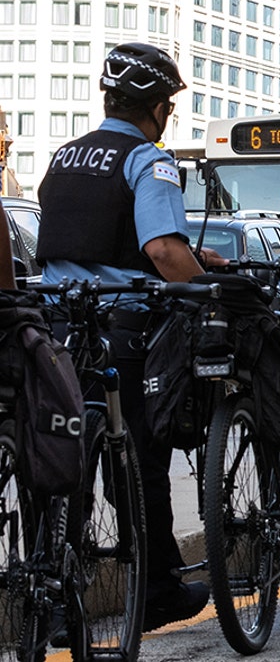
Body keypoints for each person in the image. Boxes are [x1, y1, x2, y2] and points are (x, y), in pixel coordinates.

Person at [36, 42, 218, 628]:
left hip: (57, 326)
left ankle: (55, 593)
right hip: (123, 329)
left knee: (62, 456)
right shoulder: (147, 160)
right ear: (158, 108)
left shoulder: (64, 156)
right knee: (138, 459)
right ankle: (158, 589)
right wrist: (209, 293)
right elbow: (163, 250)